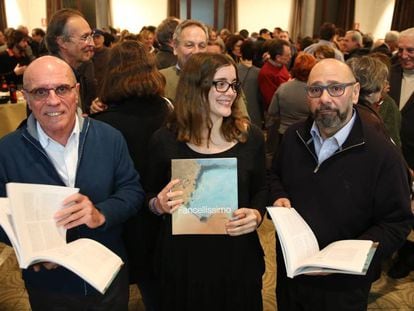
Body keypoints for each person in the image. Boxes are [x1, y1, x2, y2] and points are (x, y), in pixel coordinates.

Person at [0, 55, 144, 310]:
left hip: (107, 274)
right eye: (40, 92)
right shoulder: (8, 151)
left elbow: (132, 191)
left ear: (76, 91)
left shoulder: (109, 138)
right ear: (28, 97)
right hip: (49, 283)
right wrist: (26, 247)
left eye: (62, 89)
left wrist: (100, 213)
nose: (53, 100)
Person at [269, 58, 413, 310]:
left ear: (355, 93)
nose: (325, 98)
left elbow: (396, 223)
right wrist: (278, 195)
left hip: (343, 286)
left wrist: (347, 257)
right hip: (291, 273)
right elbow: (274, 177)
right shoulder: (293, 136)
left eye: (336, 88)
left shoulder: (383, 155)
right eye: (316, 89)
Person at [147, 52, 266, 311]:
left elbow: (262, 189)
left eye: (234, 84)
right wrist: (158, 204)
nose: (231, 92)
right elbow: (146, 197)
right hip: (184, 264)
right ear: (195, 86)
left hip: (236, 261)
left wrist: (256, 215)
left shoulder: (250, 138)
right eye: (220, 83)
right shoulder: (165, 141)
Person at [92, 40, 171, 311]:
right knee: (159, 285)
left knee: (118, 288)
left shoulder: (100, 123)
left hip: (123, 215)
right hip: (163, 207)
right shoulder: (169, 111)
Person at [388, 27, 414, 279]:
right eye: (401, 49)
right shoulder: (391, 74)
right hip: (391, 156)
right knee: (393, 206)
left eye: (411, 50)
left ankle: (408, 256)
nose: (404, 55)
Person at [45, 8, 97, 114]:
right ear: (63, 42)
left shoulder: (84, 67)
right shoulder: (46, 77)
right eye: (84, 37)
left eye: (91, 36)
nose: (92, 44)